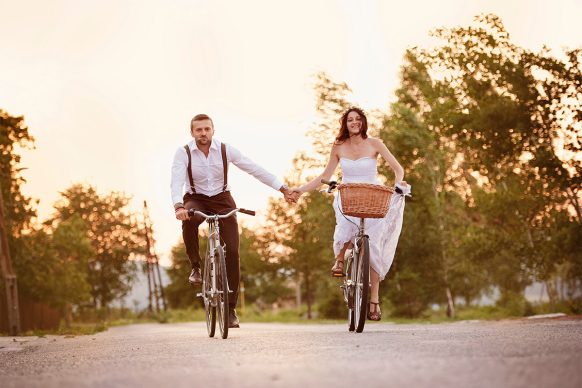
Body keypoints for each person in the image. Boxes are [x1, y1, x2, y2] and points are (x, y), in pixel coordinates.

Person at [171, 113, 295, 328]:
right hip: (195, 198)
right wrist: (179, 206)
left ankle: (230, 310)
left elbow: (253, 168)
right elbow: (175, 181)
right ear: (192, 132)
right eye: (199, 130)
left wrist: (282, 188)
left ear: (213, 130)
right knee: (189, 220)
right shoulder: (183, 153)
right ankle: (196, 267)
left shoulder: (226, 150)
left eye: (207, 129)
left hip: (222, 199)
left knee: (234, 252)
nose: (203, 133)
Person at [290, 107, 410, 321]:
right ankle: (340, 258)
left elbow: (398, 168)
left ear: (363, 122)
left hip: (372, 196)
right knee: (346, 225)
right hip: (347, 194)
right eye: (350, 120)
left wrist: (399, 182)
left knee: (373, 248)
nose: (354, 122)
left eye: (358, 119)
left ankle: (374, 301)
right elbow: (324, 176)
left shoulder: (375, 144)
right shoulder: (339, 146)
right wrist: (301, 189)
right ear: (345, 124)